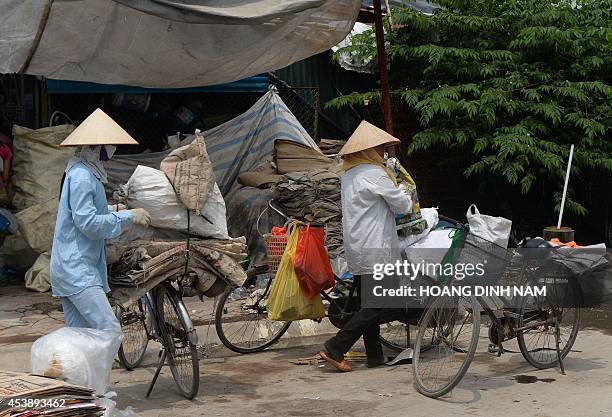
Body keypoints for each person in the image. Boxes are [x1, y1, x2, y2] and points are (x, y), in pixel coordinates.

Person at [320, 121, 412, 372]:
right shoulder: (374, 174)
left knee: (368, 302)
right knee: (379, 302)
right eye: (380, 149)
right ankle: (336, 346)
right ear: (367, 151)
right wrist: (405, 191)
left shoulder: (349, 174)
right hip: (375, 247)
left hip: (358, 247)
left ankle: (374, 355)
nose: (382, 154)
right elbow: (402, 207)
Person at [50, 108, 152, 333]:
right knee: (109, 330)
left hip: (72, 267)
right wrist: (128, 216)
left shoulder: (83, 171)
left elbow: (83, 211)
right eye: (110, 144)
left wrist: (112, 209)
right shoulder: (82, 177)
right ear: (100, 146)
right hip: (78, 269)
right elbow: (87, 223)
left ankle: (80, 368)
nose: (113, 149)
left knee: (80, 335)